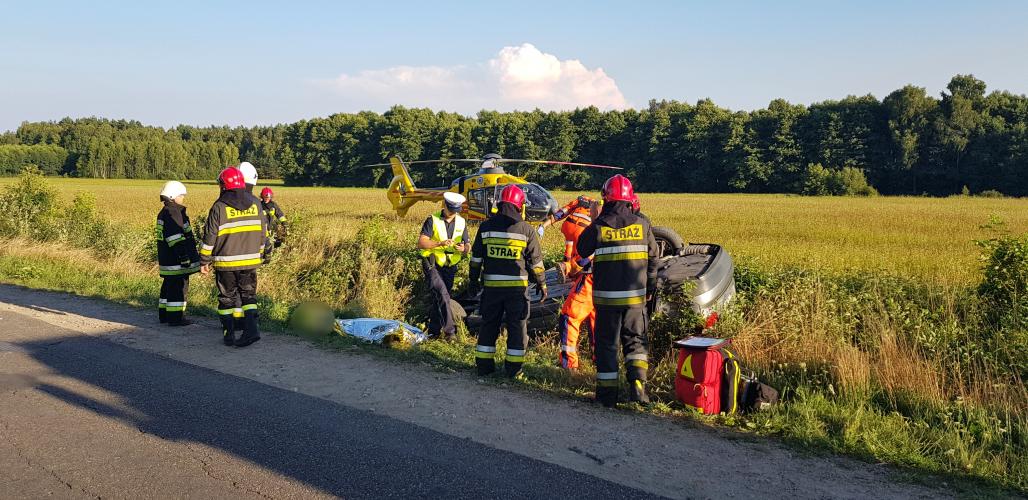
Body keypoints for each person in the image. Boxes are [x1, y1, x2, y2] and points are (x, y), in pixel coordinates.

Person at [576, 174, 659, 407]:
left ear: (606, 198)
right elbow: (654, 259)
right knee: (636, 342)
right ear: (630, 198)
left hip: (607, 300)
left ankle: (607, 397)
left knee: (607, 345)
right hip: (635, 299)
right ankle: (639, 389)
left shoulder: (600, 225)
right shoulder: (642, 224)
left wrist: (595, 218)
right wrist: (650, 287)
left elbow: (582, 250)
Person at [468, 185, 547, 378]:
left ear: (500, 204)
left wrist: (473, 281)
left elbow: (476, 259)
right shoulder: (526, 230)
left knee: (489, 325)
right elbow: (536, 263)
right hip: (517, 291)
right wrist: (542, 284)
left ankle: (484, 367)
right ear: (520, 206)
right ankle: (514, 370)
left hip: (492, 289)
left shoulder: (485, 227)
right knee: (517, 328)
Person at [199, 167, 268, 347]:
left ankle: (228, 335)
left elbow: (209, 238)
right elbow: (263, 232)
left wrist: (204, 260)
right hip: (251, 261)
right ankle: (252, 330)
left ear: (223, 186)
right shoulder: (255, 202)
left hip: (226, 263)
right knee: (248, 296)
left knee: (226, 298)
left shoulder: (219, 206)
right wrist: (260, 253)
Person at [551, 198, 602, 370]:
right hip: (609, 283)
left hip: (590, 280)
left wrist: (569, 267)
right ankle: (599, 361)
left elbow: (586, 256)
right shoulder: (627, 226)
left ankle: (569, 365)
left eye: (593, 211)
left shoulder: (598, 229)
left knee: (569, 316)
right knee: (597, 320)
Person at [417, 192, 469, 339]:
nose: (453, 214)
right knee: (443, 294)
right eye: (451, 210)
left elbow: (468, 245)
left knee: (440, 298)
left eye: (455, 211)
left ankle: (433, 332)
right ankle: (450, 333)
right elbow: (421, 242)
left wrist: (464, 249)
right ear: (444, 205)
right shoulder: (432, 220)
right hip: (432, 263)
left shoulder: (461, 222)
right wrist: (439, 243)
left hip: (450, 265)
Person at [156, 181, 201, 326]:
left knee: (168, 287)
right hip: (176, 262)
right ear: (173, 196)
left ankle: (164, 315)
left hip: (167, 261)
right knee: (178, 288)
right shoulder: (173, 212)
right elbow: (176, 237)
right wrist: (184, 257)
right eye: (181, 195)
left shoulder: (164, 212)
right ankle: (176, 318)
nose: (183, 198)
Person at [537, 195, 597, 264]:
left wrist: (543, 226)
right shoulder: (598, 206)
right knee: (586, 253)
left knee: (569, 247)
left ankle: (565, 265)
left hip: (568, 227)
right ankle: (579, 269)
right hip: (582, 229)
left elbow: (560, 214)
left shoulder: (578, 201)